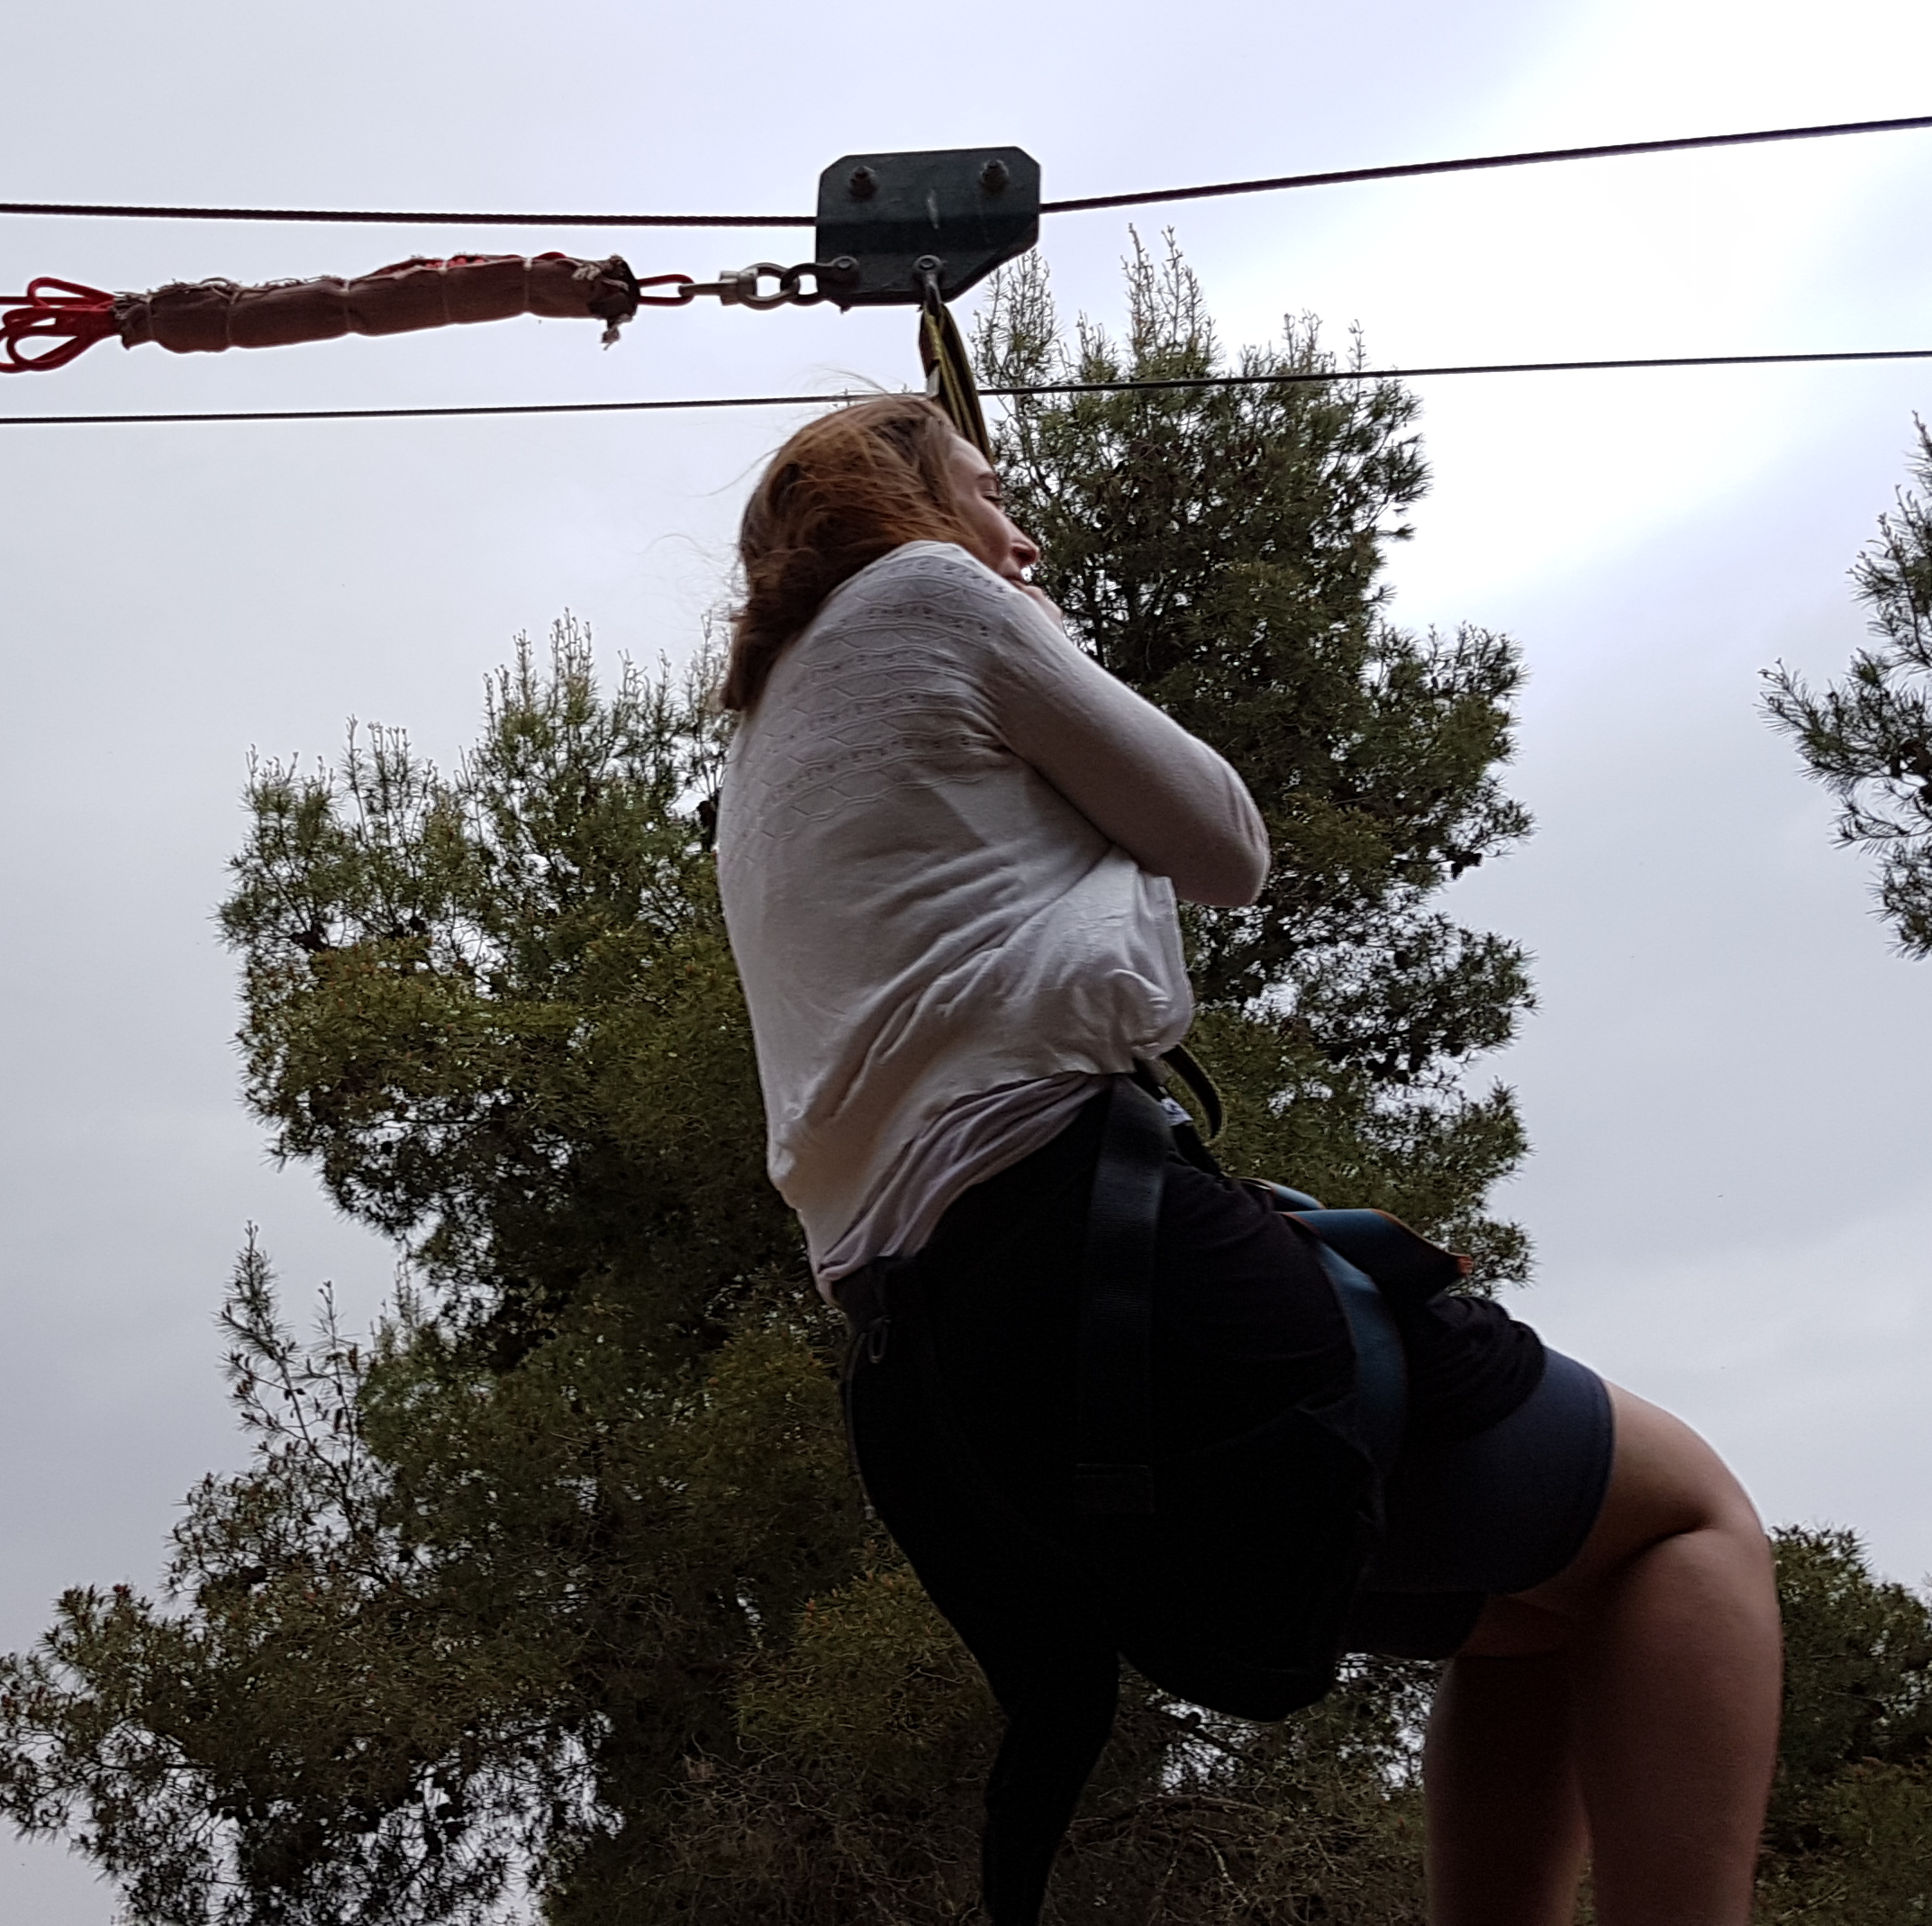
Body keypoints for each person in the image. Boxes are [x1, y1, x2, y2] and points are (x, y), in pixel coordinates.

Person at [710, 395, 1782, 1926]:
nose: (1025, 535)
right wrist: (1035, 623)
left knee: (1543, 1611)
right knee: (1686, 1521)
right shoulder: (938, 594)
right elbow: (1226, 844)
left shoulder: (769, 742)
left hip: (947, 1388)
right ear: (914, 509)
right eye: (992, 495)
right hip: (1111, 1275)